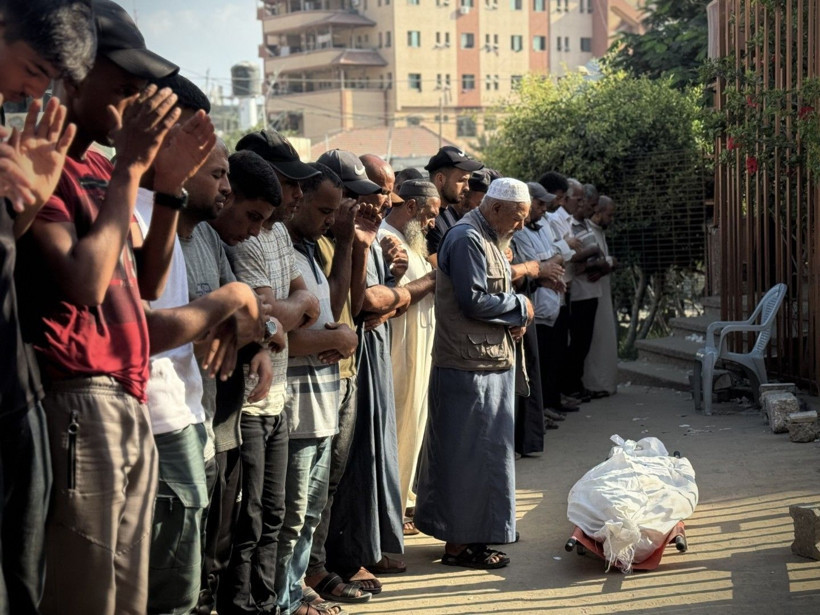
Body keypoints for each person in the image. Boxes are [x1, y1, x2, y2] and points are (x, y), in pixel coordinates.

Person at [15, 1, 180, 612]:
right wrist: (133, 167)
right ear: (75, 76)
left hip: (127, 397)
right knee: (85, 593)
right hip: (78, 398)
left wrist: (164, 187)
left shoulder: (101, 169)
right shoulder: (45, 162)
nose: (133, 102)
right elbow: (84, 282)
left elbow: (149, 281)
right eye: (123, 86)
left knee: (126, 596)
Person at [0, 2, 95, 613]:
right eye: (33, 67)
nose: (35, 88)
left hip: (14, 387)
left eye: (48, 78)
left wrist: (23, 207)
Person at [221, 131, 323, 615]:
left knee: (277, 513)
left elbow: (307, 304)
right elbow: (268, 323)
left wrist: (286, 309)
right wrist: (286, 312)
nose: (297, 194)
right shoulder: (248, 235)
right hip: (250, 401)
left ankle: (269, 604)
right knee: (251, 519)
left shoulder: (278, 232)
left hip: (280, 393)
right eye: (289, 182)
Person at [414, 177, 535, 569]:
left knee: (486, 456)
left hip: (486, 362)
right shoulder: (467, 238)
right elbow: (474, 299)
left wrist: (513, 317)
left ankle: (478, 536)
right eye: (516, 218)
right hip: (468, 367)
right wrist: (520, 307)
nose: (519, 226)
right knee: (470, 457)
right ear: (496, 208)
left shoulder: (488, 237)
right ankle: (460, 546)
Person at [277, 162, 360, 615]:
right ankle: (286, 599)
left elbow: (332, 308)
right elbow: (279, 335)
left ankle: (296, 589)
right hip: (294, 406)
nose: (331, 219)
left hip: (321, 401)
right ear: (297, 198)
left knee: (309, 512)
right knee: (290, 514)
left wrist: (345, 242)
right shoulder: (278, 249)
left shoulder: (310, 249)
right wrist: (336, 338)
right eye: (324, 209)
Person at [323, 151, 407, 589]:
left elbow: (368, 300)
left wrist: (395, 294)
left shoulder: (365, 236)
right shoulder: (320, 237)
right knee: (327, 481)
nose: (380, 201)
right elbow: (357, 305)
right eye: (373, 191)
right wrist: (395, 296)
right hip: (324, 376)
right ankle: (327, 564)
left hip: (354, 368)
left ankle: (347, 554)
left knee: (346, 469)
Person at [378, 179, 439, 534]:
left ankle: (403, 502)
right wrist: (434, 279)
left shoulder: (413, 243)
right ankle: (391, 515)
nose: (433, 223)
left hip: (419, 350)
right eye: (430, 215)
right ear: (412, 208)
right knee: (400, 430)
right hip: (400, 352)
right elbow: (394, 297)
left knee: (413, 430)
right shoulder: (388, 240)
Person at [512, 183, 567, 442]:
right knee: (536, 365)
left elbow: (554, 258)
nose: (544, 209)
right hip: (531, 305)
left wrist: (544, 267)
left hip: (548, 304)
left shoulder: (540, 226)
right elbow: (532, 267)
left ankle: (543, 409)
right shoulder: (520, 232)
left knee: (548, 361)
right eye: (540, 204)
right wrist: (540, 269)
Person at [563, 183, 602, 402]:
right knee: (576, 342)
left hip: (589, 291)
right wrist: (592, 254)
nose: (590, 208)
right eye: (585, 202)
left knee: (583, 341)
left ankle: (575, 384)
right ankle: (571, 386)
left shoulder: (584, 225)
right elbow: (572, 259)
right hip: (577, 292)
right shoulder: (569, 225)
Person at [583, 195, 619, 397]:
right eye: (609, 214)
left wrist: (609, 263)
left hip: (601, 291)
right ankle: (594, 384)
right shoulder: (586, 230)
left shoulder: (599, 232)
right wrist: (607, 263)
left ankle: (603, 383)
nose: (611, 219)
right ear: (598, 211)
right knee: (595, 339)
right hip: (589, 292)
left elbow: (606, 263)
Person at [423, 146, 483, 264]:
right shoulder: (426, 218)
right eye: (461, 180)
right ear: (440, 179)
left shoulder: (450, 211)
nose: (467, 188)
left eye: (467, 181)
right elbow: (439, 267)